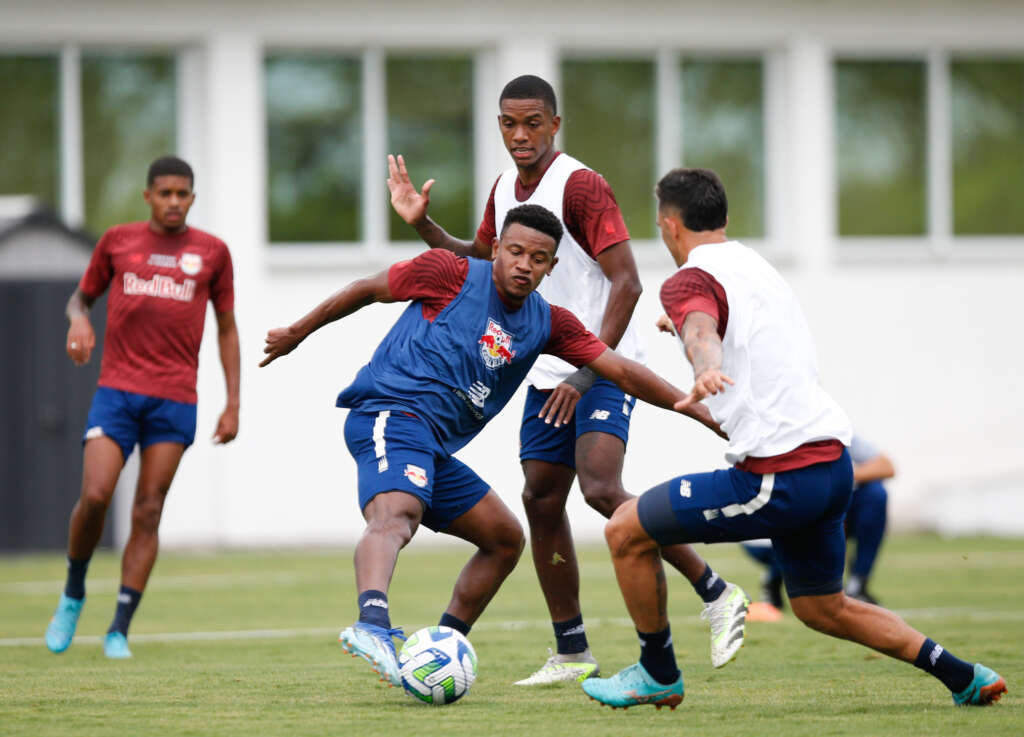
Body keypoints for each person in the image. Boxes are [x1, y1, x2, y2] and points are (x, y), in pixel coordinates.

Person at [581, 168, 1006, 709]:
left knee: (625, 529)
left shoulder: (687, 278)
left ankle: (657, 673)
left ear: (668, 225)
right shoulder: (756, 267)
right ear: (725, 219)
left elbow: (702, 327)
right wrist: (688, 325)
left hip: (778, 476)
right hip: (833, 469)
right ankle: (964, 675)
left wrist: (703, 362)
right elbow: (718, 317)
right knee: (821, 607)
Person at [260, 204, 722, 689]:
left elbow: (621, 370)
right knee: (397, 514)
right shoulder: (448, 273)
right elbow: (367, 289)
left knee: (504, 538)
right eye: (516, 251)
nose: (525, 264)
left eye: (538, 258)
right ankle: (372, 623)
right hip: (389, 414)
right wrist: (297, 332)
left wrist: (692, 406)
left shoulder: (548, 322)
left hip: (433, 446)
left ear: (551, 267)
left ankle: (440, 647)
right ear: (497, 248)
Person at [386, 74, 748, 685]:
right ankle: (572, 649)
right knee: (540, 498)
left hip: (603, 359)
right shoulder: (504, 188)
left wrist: (584, 374)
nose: (520, 134)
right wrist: (422, 224)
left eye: (533, 123)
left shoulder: (581, 185)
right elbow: (482, 260)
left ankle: (715, 591)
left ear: (555, 124)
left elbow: (628, 282)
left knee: (603, 489)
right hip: (545, 363)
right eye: (509, 123)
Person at [45, 155, 240, 659]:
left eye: (183, 194)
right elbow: (79, 299)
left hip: (175, 399)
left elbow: (226, 327)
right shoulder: (117, 241)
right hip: (117, 392)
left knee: (149, 510)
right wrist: (79, 321)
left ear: (192, 199)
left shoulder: (213, 253)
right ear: (148, 196)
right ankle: (73, 591)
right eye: (165, 193)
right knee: (96, 494)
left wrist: (233, 402)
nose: (174, 202)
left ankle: (118, 629)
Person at [743, 434, 895, 621]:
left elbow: (886, 466)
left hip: (820, 515)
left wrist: (838, 478)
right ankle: (776, 576)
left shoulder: (834, 431)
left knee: (874, 494)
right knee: (803, 502)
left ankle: (857, 584)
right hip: (768, 530)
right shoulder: (779, 433)